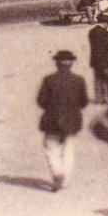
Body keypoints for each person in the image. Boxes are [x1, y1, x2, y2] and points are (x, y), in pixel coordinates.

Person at [36, 49, 88, 191]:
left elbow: (41, 101)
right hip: (72, 121)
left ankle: (57, 172)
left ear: (57, 64)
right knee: (69, 149)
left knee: (51, 148)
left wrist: (52, 107)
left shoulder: (49, 80)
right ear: (71, 64)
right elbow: (84, 102)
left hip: (52, 120)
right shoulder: (79, 80)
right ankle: (64, 179)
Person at [87, 15, 108, 104]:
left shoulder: (91, 32)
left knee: (98, 80)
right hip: (106, 60)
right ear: (104, 23)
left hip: (96, 60)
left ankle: (99, 99)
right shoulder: (104, 32)